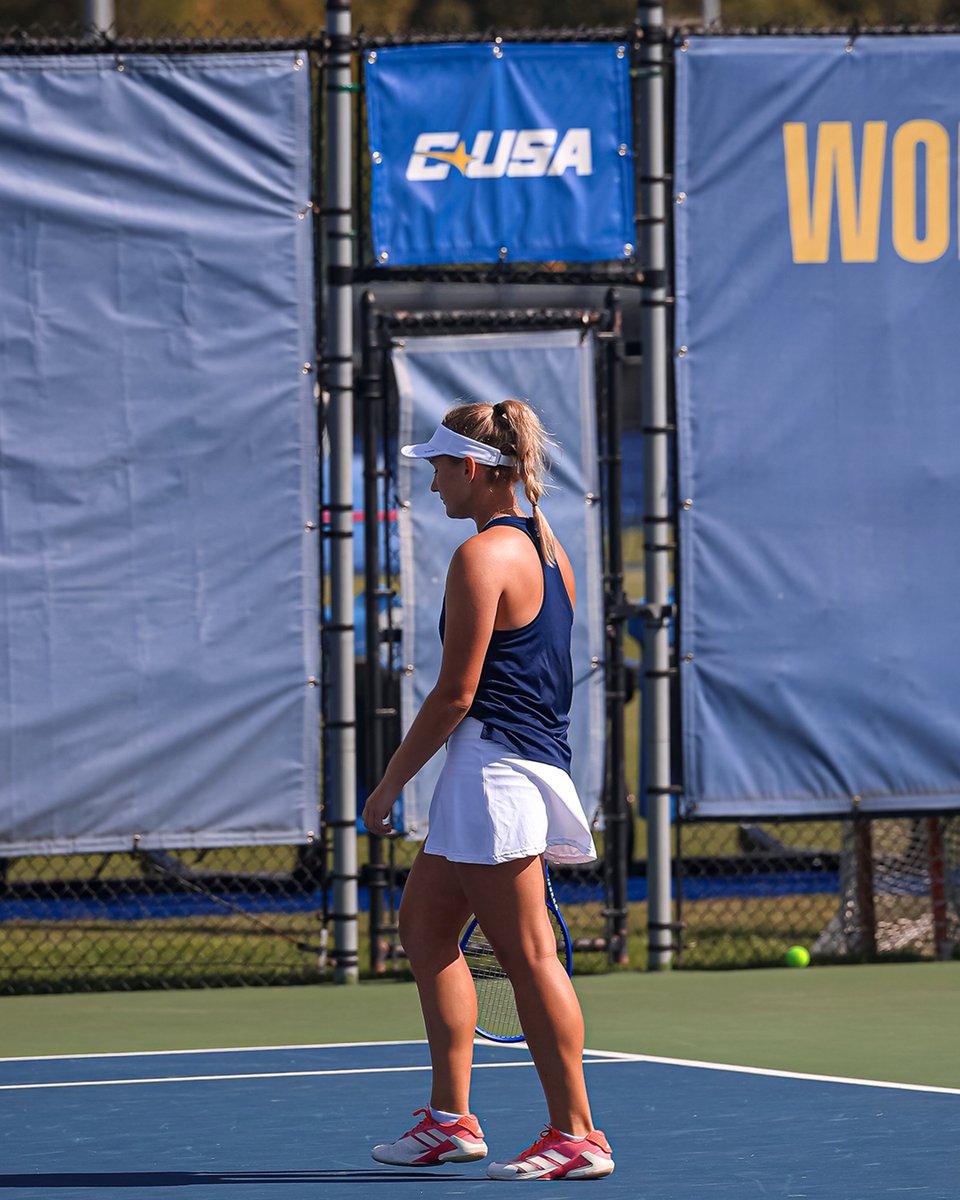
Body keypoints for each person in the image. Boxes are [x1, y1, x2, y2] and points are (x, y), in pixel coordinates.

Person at [361, 399, 614, 1182]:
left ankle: (578, 1134)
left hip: (493, 773)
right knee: (426, 929)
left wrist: (388, 788)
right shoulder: (549, 550)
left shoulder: (480, 560)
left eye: (439, 467)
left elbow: (455, 695)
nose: (432, 483)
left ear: (472, 468)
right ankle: (450, 1120)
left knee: (530, 954)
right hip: (514, 768)